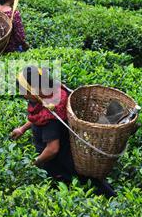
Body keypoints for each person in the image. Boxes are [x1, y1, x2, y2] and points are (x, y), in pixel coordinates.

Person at [11, 66, 116, 198]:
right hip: (70, 151)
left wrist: (34, 163)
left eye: (24, 91)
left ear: (35, 91)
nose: (22, 94)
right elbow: (39, 117)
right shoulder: (53, 94)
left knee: (82, 187)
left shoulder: (50, 117)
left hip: (61, 164)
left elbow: (52, 149)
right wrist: (22, 128)